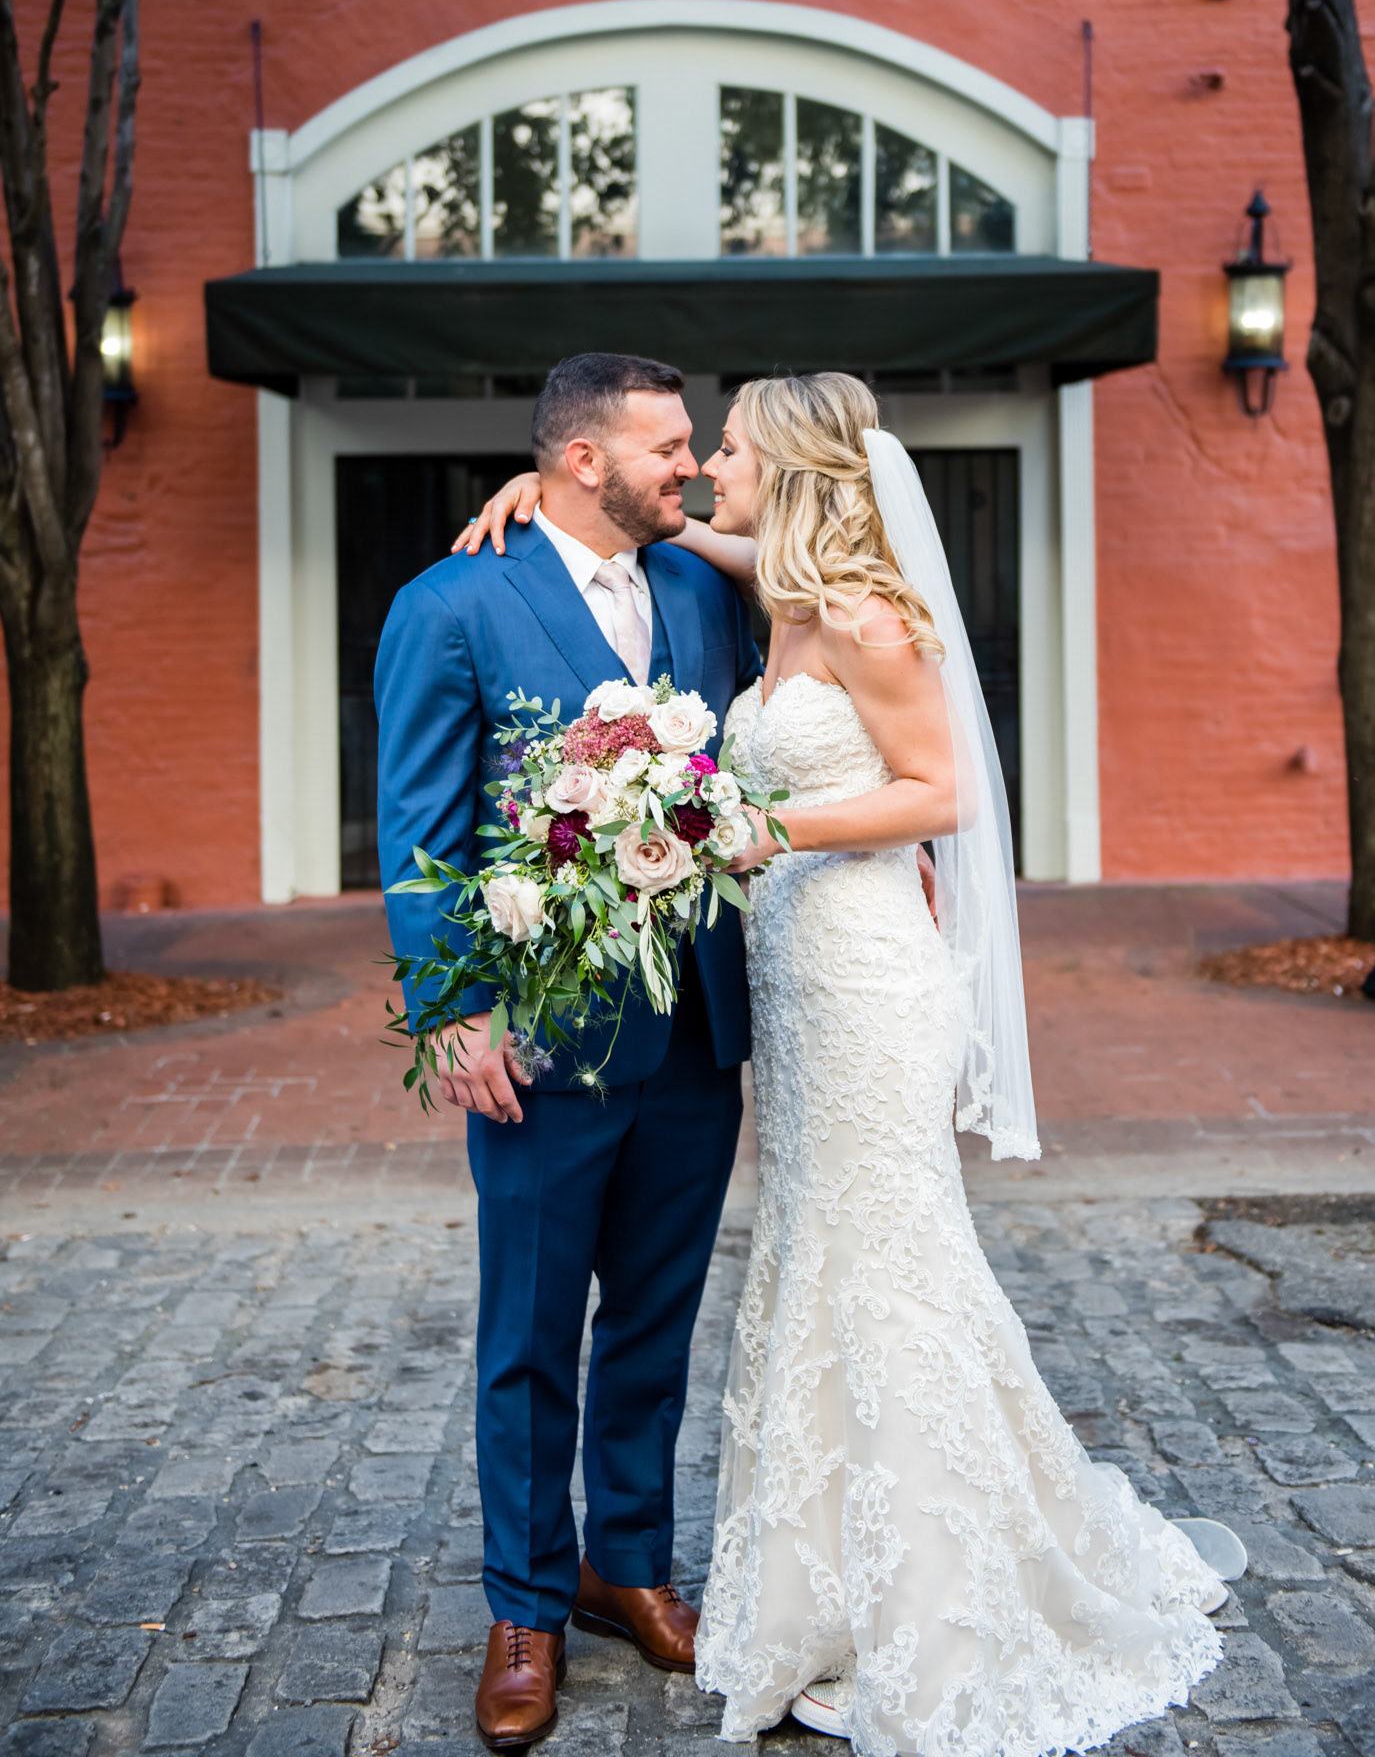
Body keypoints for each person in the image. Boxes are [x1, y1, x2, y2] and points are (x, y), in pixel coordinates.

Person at [462, 371, 1231, 1757]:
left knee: (886, 1266)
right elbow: (679, 535)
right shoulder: (791, 590)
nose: (708, 468)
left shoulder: (869, 613)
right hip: (797, 991)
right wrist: (543, 495)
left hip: (867, 975)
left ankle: (932, 1604)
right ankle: (828, 1582)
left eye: (731, 449)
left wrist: (779, 835)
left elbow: (944, 793)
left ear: (797, 467)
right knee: (820, 1256)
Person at [375, 353, 761, 1751]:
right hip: (541, 1042)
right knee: (529, 1336)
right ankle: (527, 1603)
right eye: (666, 446)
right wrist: (449, 1004)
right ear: (585, 461)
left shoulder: (711, 595)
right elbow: (418, 819)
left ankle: (629, 1569)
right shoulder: (452, 604)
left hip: (699, 1028)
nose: (693, 465)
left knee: (657, 1323)